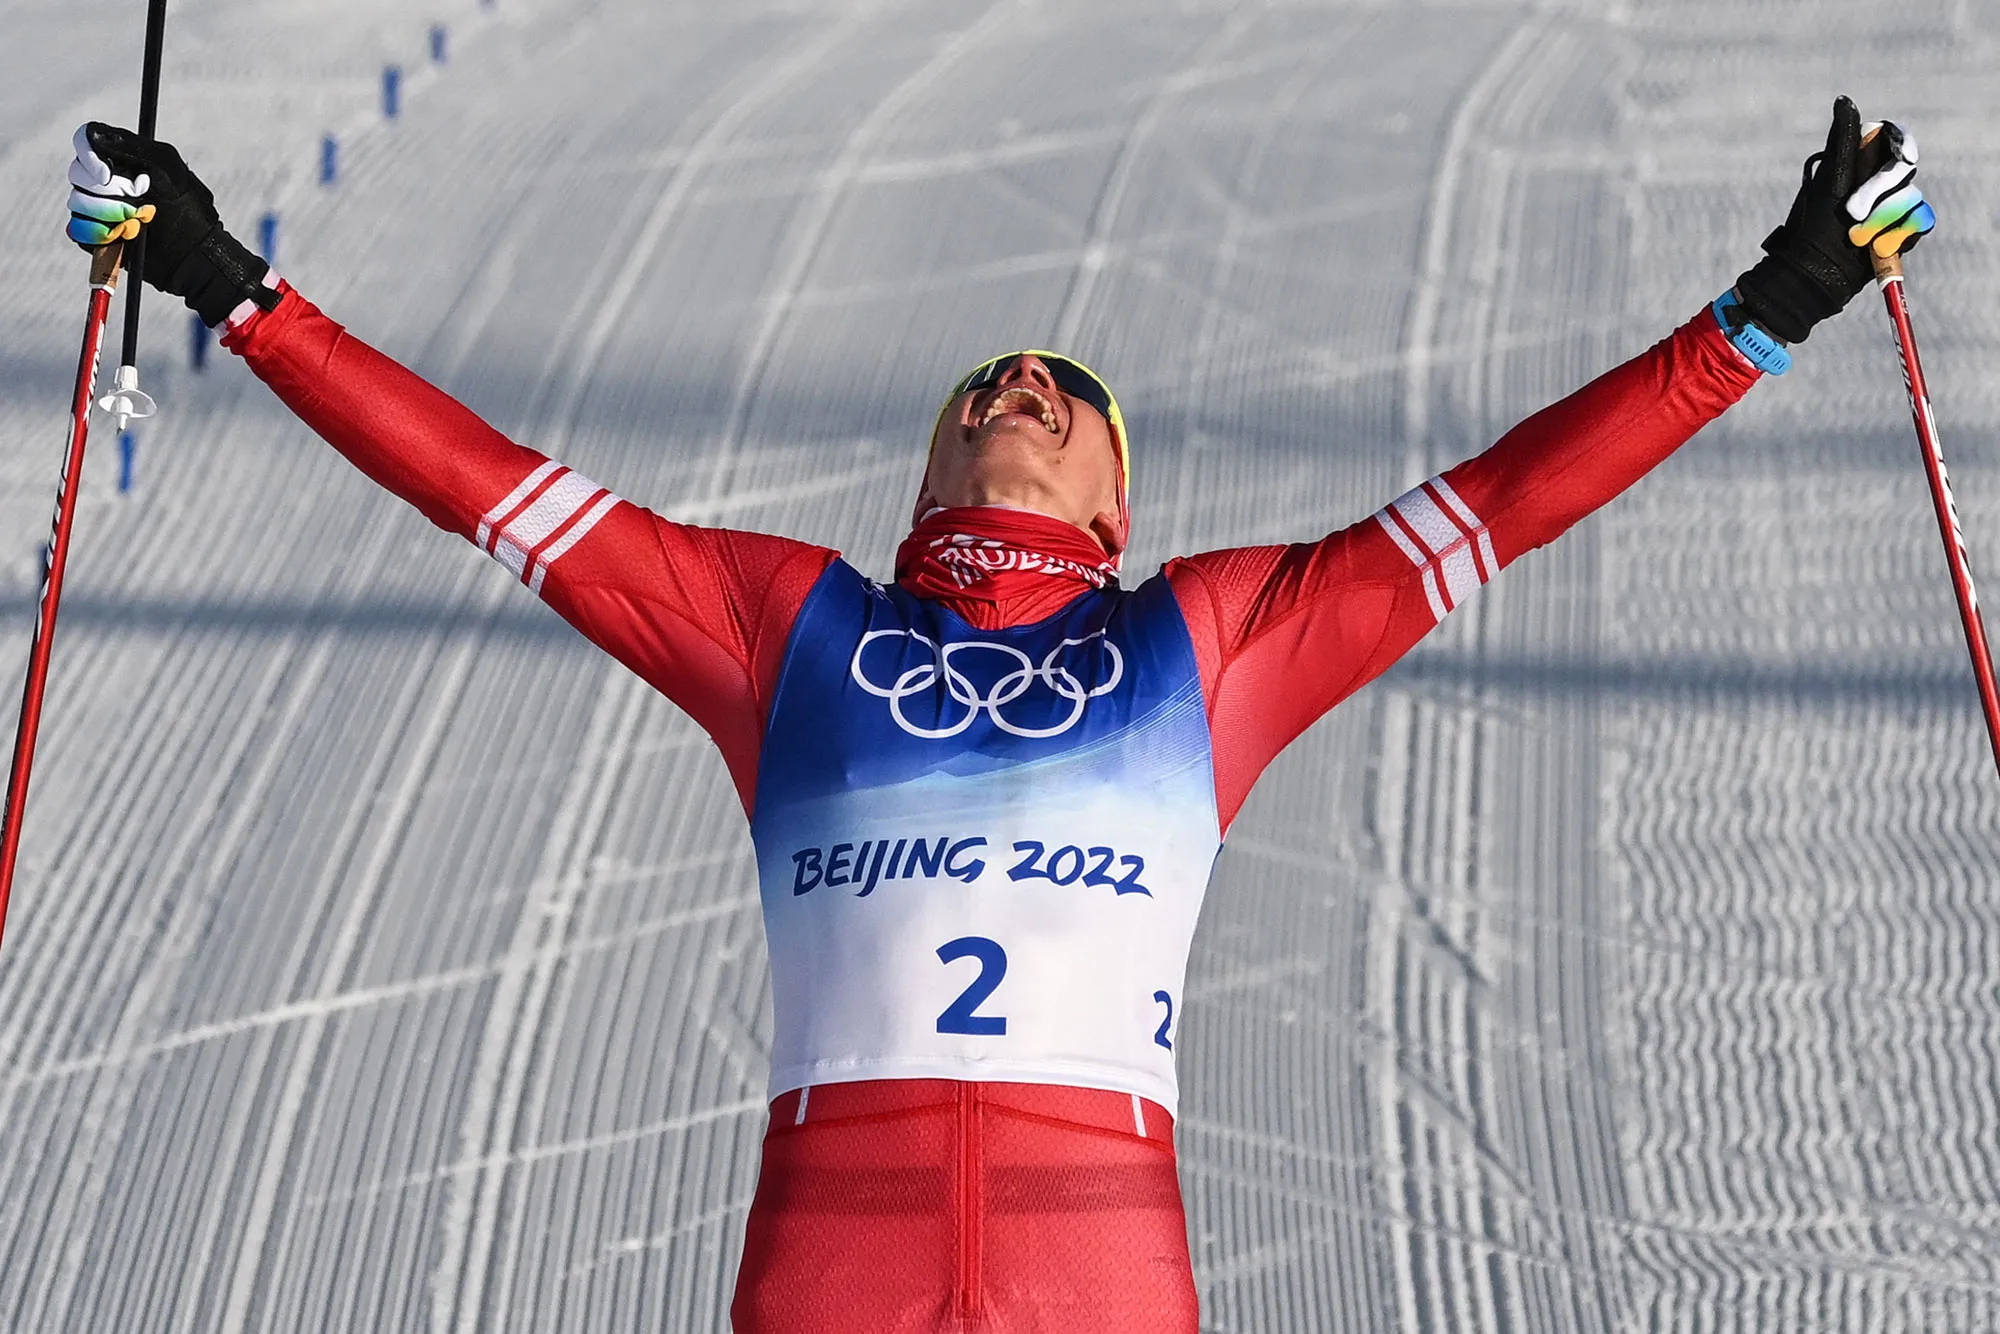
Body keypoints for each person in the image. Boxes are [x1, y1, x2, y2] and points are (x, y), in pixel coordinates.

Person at [63, 97, 1933, 1332]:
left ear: (1117, 493)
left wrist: (1777, 301)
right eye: (989, 376)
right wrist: (233, 286)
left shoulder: (1214, 639)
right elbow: (492, 486)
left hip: (1094, 1252)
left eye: (1067, 382)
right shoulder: (783, 621)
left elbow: (1508, 497)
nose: (1023, 377)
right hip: (836, 1254)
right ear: (935, 456)